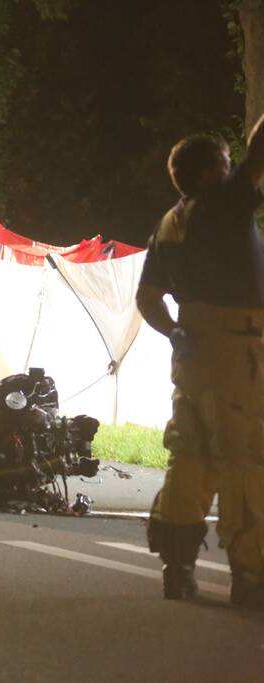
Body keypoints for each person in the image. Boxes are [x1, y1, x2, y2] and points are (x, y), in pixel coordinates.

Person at [136, 113, 264, 608]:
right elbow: (260, 155)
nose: (235, 172)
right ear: (211, 173)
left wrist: (175, 333)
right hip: (238, 350)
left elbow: (148, 298)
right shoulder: (224, 205)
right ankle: (251, 576)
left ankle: (178, 568)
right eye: (226, 164)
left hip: (193, 354)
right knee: (245, 460)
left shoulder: (170, 224)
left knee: (190, 460)